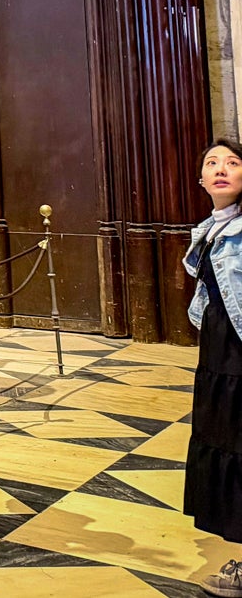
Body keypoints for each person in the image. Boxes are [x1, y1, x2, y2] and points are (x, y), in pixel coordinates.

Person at [184, 140, 242, 597]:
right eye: (211, 163)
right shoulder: (210, 229)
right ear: (201, 180)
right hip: (219, 358)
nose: (220, 169)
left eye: (233, 162)